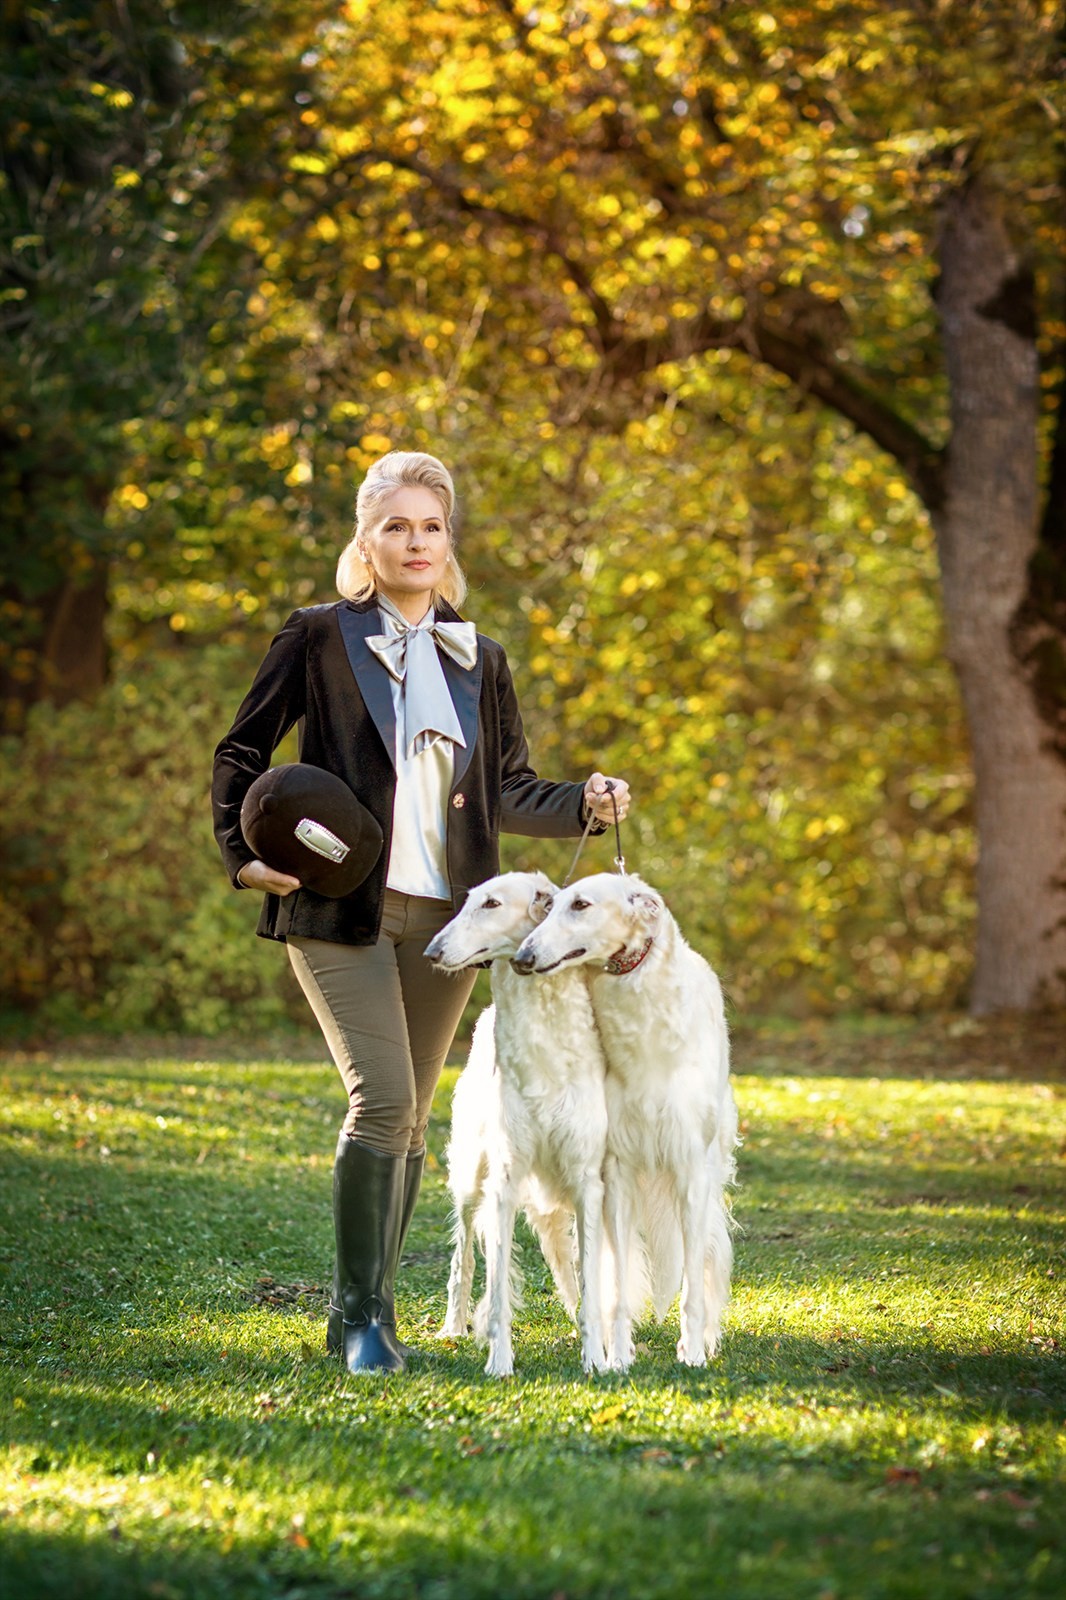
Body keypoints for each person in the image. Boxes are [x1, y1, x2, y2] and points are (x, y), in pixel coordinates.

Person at [211, 450, 631, 1375]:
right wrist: (244, 860)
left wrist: (585, 802)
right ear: (366, 539)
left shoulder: (481, 658)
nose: (415, 542)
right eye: (396, 525)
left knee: (411, 1122)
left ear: (449, 541)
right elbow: (240, 752)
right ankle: (361, 1318)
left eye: (431, 526)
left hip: (447, 925)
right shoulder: (318, 637)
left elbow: (508, 790)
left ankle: (369, 1311)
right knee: (385, 1100)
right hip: (336, 912)